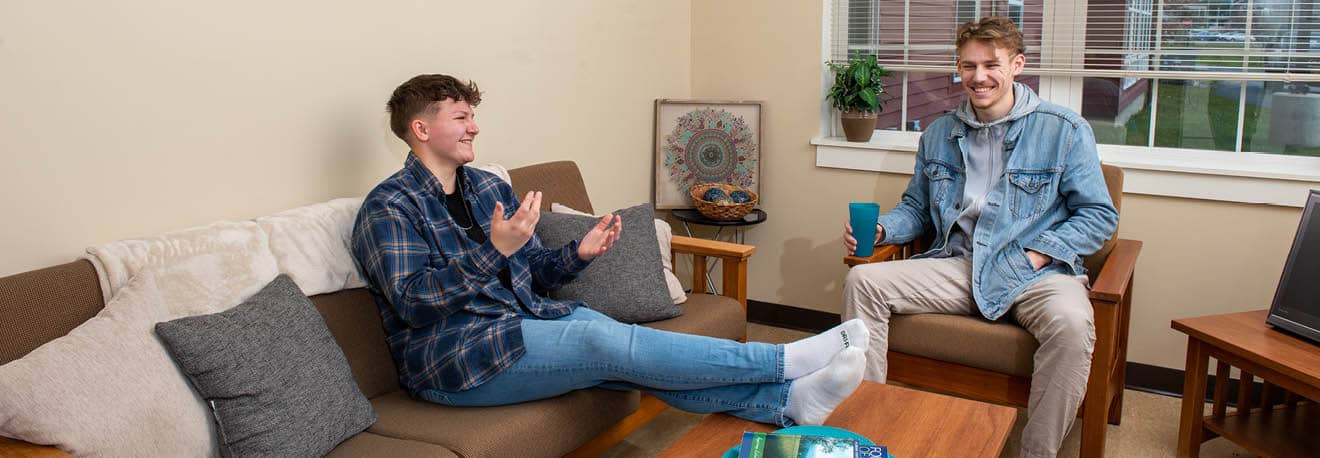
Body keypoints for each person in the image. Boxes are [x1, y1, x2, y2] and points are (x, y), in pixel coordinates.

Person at [352, 74, 867, 427]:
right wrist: (493, 250)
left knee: (616, 343)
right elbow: (414, 302)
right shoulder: (387, 208)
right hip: (454, 360)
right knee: (605, 347)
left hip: (521, 324)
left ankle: (788, 402)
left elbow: (536, 275)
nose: (475, 127)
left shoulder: (486, 187)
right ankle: (782, 361)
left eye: (473, 117)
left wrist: (580, 253)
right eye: (462, 117)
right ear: (421, 129)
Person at [840, 17, 1119, 458]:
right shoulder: (938, 134)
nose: (979, 76)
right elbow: (916, 206)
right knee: (863, 282)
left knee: (1072, 323)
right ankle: (867, 427)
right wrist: (882, 229)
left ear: (1017, 65)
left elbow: (1098, 215)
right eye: (969, 66)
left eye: (992, 64)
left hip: (1034, 272)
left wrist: (1038, 255)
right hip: (959, 265)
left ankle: (1037, 454)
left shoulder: (1064, 130)